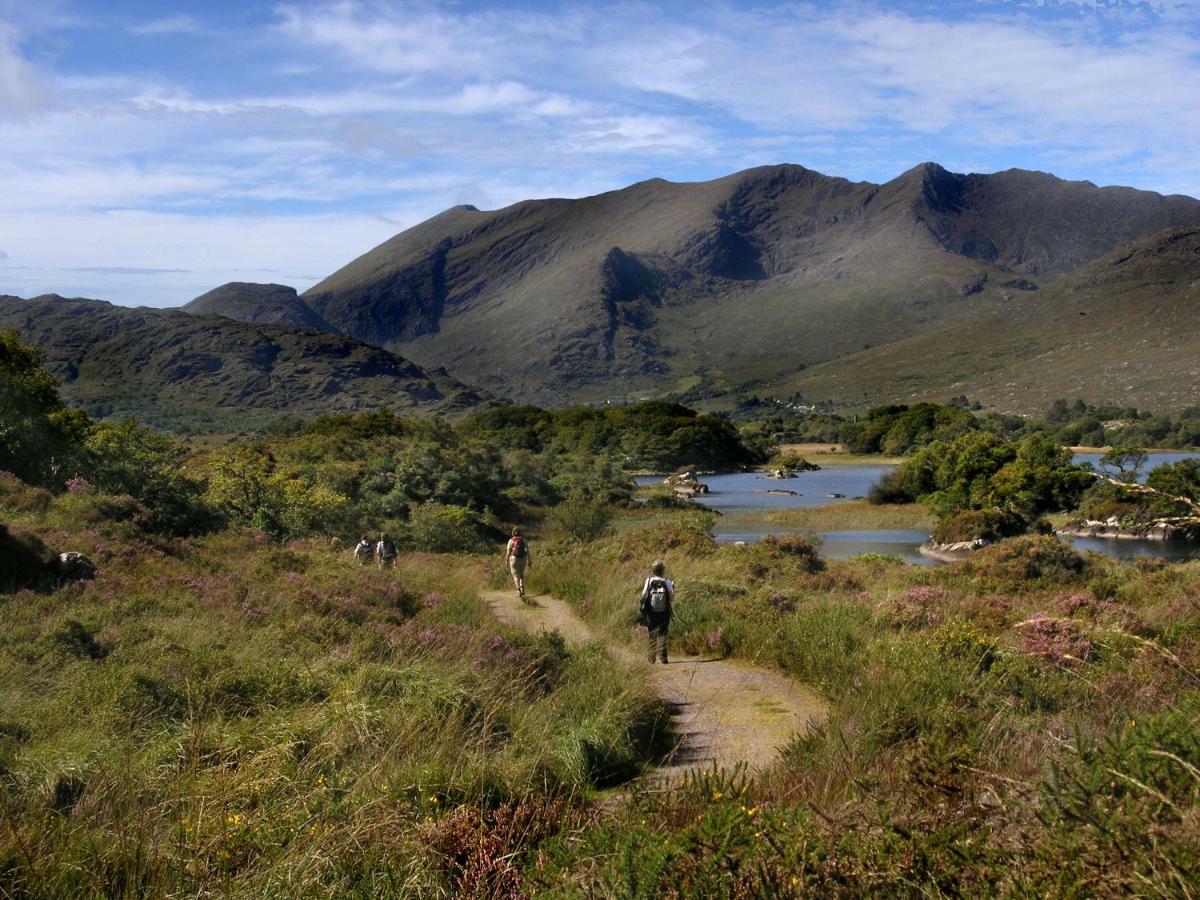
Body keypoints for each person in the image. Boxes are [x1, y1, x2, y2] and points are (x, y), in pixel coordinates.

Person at [640, 560, 675, 664]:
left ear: (653, 570)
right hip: (664, 611)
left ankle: (651, 659)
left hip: (651, 612)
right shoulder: (667, 582)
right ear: (662, 570)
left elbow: (643, 595)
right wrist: (673, 588)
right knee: (662, 634)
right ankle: (663, 658)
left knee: (652, 634)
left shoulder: (649, 580)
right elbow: (672, 598)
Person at [503, 527, 531, 599]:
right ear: (520, 532)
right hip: (523, 559)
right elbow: (527, 551)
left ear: (512, 533)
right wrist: (529, 560)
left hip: (514, 559)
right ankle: (522, 586)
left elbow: (508, 552)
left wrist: (506, 561)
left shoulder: (511, 541)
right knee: (521, 573)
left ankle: (518, 589)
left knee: (515, 575)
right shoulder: (524, 541)